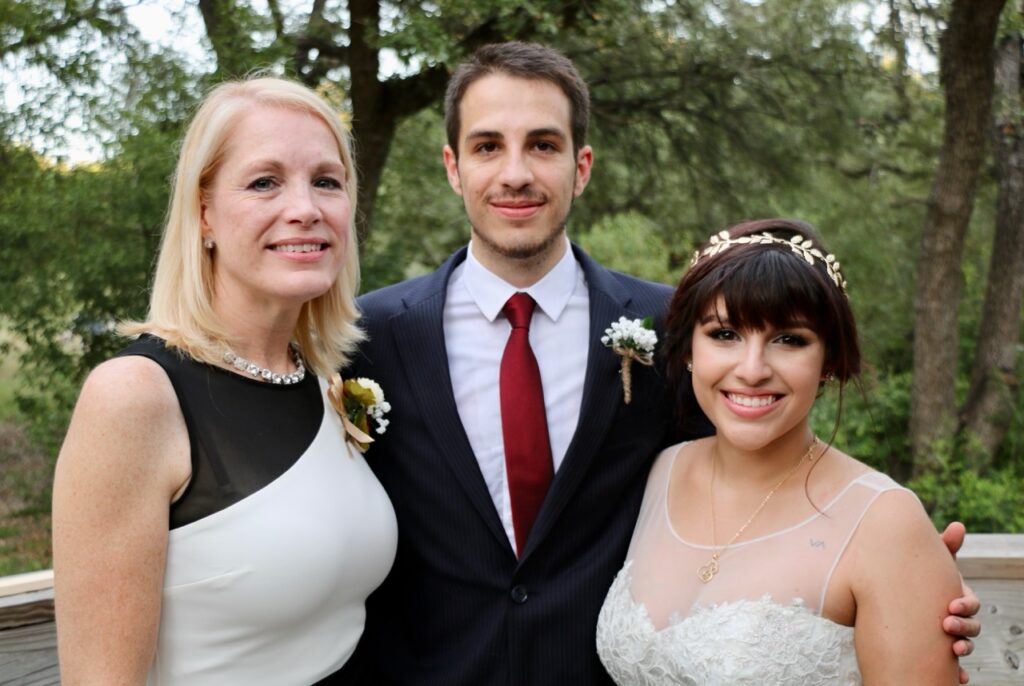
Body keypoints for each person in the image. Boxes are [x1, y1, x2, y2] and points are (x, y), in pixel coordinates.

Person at [341, 42, 979, 685]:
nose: (515, 173)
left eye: (543, 144)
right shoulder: (367, 338)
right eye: (486, 147)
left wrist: (900, 576)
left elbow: (761, 475)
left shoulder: (678, 327)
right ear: (453, 166)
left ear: (581, 165)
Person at [51, 76, 397, 685]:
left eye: (326, 181)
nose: (305, 209)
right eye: (265, 182)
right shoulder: (135, 396)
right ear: (204, 212)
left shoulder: (322, 380)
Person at [597, 218, 964, 684]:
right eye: (725, 334)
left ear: (829, 359)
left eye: (789, 340)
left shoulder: (886, 524)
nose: (752, 370)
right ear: (689, 345)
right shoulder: (661, 470)